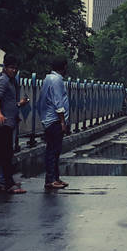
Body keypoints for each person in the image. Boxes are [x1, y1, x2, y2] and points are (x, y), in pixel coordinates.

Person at [0, 54, 29, 194]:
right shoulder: (3, 80)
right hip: (2, 123)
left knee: (0, 154)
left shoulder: (11, 81)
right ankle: (7, 184)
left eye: (16, 68)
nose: (14, 71)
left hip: (8, 122)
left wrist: (19, 104)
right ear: (5, 67)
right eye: (11, 68)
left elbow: (8, 102)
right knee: (4, 154)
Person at [39, 56, 70, 190]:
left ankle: (55, 178)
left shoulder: (48, 79)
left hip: (49, 119)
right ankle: (51, 180)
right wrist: (63, 121)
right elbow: (58, 102)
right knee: (52, 151)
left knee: (55, 151)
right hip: (55, 120)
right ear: (63, 67)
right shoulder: (56, 80)